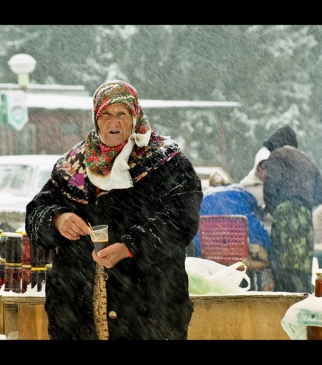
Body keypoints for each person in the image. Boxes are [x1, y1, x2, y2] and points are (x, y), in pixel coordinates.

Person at [25, 80, 203, 340]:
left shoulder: (166, 162)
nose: (114, 123)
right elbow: (35, 213)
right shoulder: (73, 166)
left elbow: (182, 219)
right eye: (106, 114)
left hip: (148, 311)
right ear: (96, 119)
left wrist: (131, 247)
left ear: (135, 117)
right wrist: (57, 220)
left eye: (122, 114)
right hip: (77, 313)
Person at [263, 125, 322, 293]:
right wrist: (303, 202)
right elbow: (321, 195)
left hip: (285, 213)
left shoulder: (277, 155)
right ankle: (303, 300)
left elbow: (270, 187)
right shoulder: (308, 160)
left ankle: (283, 304)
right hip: (305, 216)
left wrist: (274, 208)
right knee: (301, 266)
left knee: (283, 266)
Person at [193, 170, 274, 291]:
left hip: (213, 257)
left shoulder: (202, 200)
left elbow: (196, 239)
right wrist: (269, 250)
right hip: (243, 257)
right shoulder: (242, 194)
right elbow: (257, 229)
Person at [239, 146, 272, 232]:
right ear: (258, 167)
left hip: (271, 227)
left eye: (269, 167)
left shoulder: (276, 185)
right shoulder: (245, 185)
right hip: (252, 229)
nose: (265, 171)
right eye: (264, 167)